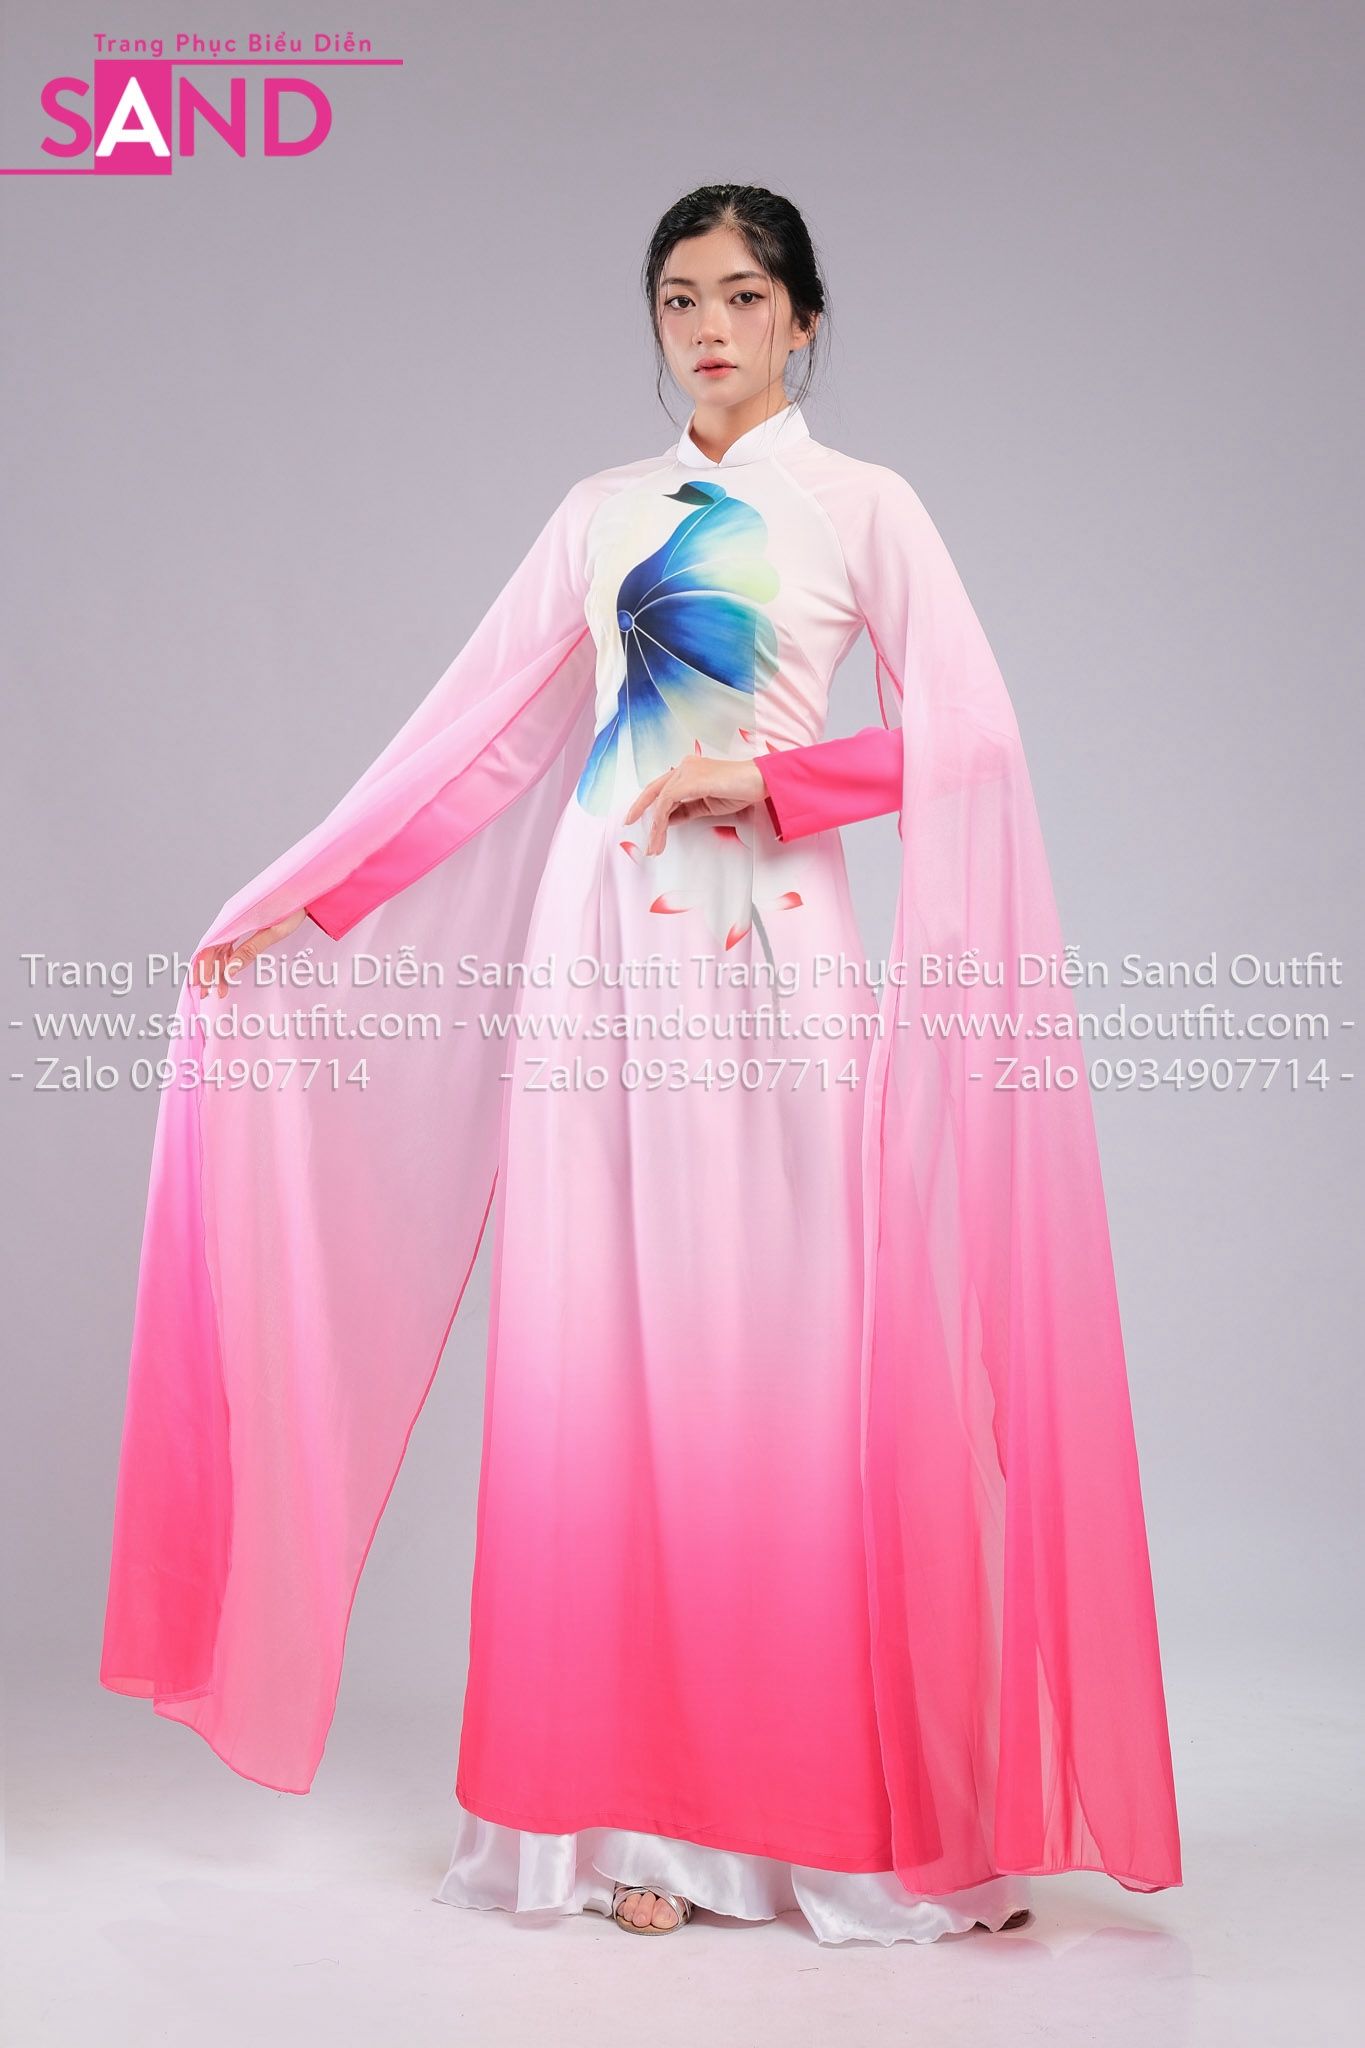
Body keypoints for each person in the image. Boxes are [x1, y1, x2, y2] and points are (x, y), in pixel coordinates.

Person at [102, 184, 1181, 1948]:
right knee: (598, 1363)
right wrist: (306, 902)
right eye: (680, 297)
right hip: (595, 958)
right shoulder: (597, 514)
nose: (709, 327)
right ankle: (631, 1833)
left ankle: (830, 1830)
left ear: (803, 320)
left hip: (776, 956)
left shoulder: (866, 505)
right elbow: (477, 744)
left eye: (744, 295)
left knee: (796, 1366)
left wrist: (779, 778)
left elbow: (971, 736)